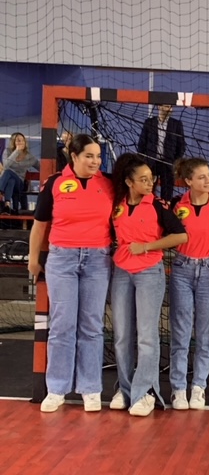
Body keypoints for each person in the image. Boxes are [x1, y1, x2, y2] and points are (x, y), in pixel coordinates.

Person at [28, 134, 114, 412]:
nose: (95, 161)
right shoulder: (54, 184)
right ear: (74, 156)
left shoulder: (109, 184)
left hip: (97, 260)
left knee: (91, 326)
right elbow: (40, 225)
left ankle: (90, 388)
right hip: (62, 260)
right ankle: (57, 388)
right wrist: (33, 259)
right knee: (62, 325)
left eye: (98, 156)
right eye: (89, 156)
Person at [109, 153, 188, 417]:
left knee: (146, 336)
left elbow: (180, 235)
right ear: (129, 182)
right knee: (121, 336)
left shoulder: (157, 206)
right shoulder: (117, 205)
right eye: (142, 179)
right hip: (121, 271)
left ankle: (145, 393)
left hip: (148, 272)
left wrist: (146, 246)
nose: (149, 182)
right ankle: (126, 388)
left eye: (150, 178)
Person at [169, 158, 209, 410]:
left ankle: (199, 387)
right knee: (181, 333)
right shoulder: (175, 205)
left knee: (205, 334)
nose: (208, 181)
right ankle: (178, 388)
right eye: (202, 177)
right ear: (188, 181)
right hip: (182, 269)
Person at [137, 104, 186, 201]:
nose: (169, 109)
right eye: (166, 106)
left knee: (167, 192)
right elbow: (141, 144)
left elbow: (181, 146)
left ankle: (165, 209)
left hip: (168, 163)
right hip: (151, 162)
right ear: (159, 107)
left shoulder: (176, 124)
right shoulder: (149, 123)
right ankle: (146, 206)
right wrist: (143, 160)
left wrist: (174, 161)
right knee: (147, 189)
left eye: (170, 107)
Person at [0, 132, 39, 214]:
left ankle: (0, 190)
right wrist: (16, 151)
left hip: (20, 183)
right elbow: (6, 165)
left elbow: (41, 168)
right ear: (13, 142)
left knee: (8, 172)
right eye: (18, 141)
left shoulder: (29, 156)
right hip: (10, 184)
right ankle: (7, 205)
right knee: (11, 180)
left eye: (22, 140)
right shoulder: (7, 152)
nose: (20, 142)